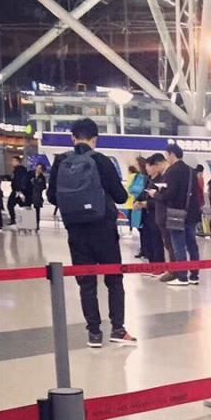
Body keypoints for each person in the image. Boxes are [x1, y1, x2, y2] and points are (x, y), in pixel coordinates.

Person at [47, 117, 135, 347]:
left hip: (76, 230)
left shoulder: (61, 161)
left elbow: (52, 196)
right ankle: (118, 329)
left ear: (72, 137)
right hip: (103, 229)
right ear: (95, 138)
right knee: (114, 279)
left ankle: (94, 333)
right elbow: (121, 196)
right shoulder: (101, 160)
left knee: (86, 283)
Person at [161, 143, 202, 287]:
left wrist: (157, 194)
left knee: (178, 245)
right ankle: (194, 275)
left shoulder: (172, 171)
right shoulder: (191, 171)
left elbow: (170, 194)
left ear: (172, 154)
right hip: (192, 212)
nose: (167, 158)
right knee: (192, 244)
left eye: (167, 155)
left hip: (176, 213)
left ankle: (182, 276)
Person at [135, 153, 166, 271]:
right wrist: (138, 202)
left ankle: (159, 266)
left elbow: (161, 200)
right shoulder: (148, 180)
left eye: (148, 166)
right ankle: (151, 265)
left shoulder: (160, 181)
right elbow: (143, 194)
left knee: (157, 241)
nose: (147, 168)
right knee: (149, 240)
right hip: (147, 215)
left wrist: (146, 204)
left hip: (156, 214)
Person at [7, 155, 31, 226]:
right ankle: (21, 220)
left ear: (17, 162)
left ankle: (20, 220)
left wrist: (19, 190)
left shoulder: (20, 170)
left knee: (12, 205)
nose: (12, 162)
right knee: (20, 205)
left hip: (19, 191)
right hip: (17, 191)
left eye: (13, 161)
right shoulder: (17, 170)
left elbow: (21, 181)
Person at [30, 163, 48, 231]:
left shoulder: (42, 177)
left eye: (40, 168)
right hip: (30, 194)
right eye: (38, 167)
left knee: (37, 211)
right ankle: (29, 223)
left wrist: (36, 183)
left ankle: (37, 224)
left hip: (37, 196)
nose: (38, 169)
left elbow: (43, 186)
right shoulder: (31, 174)